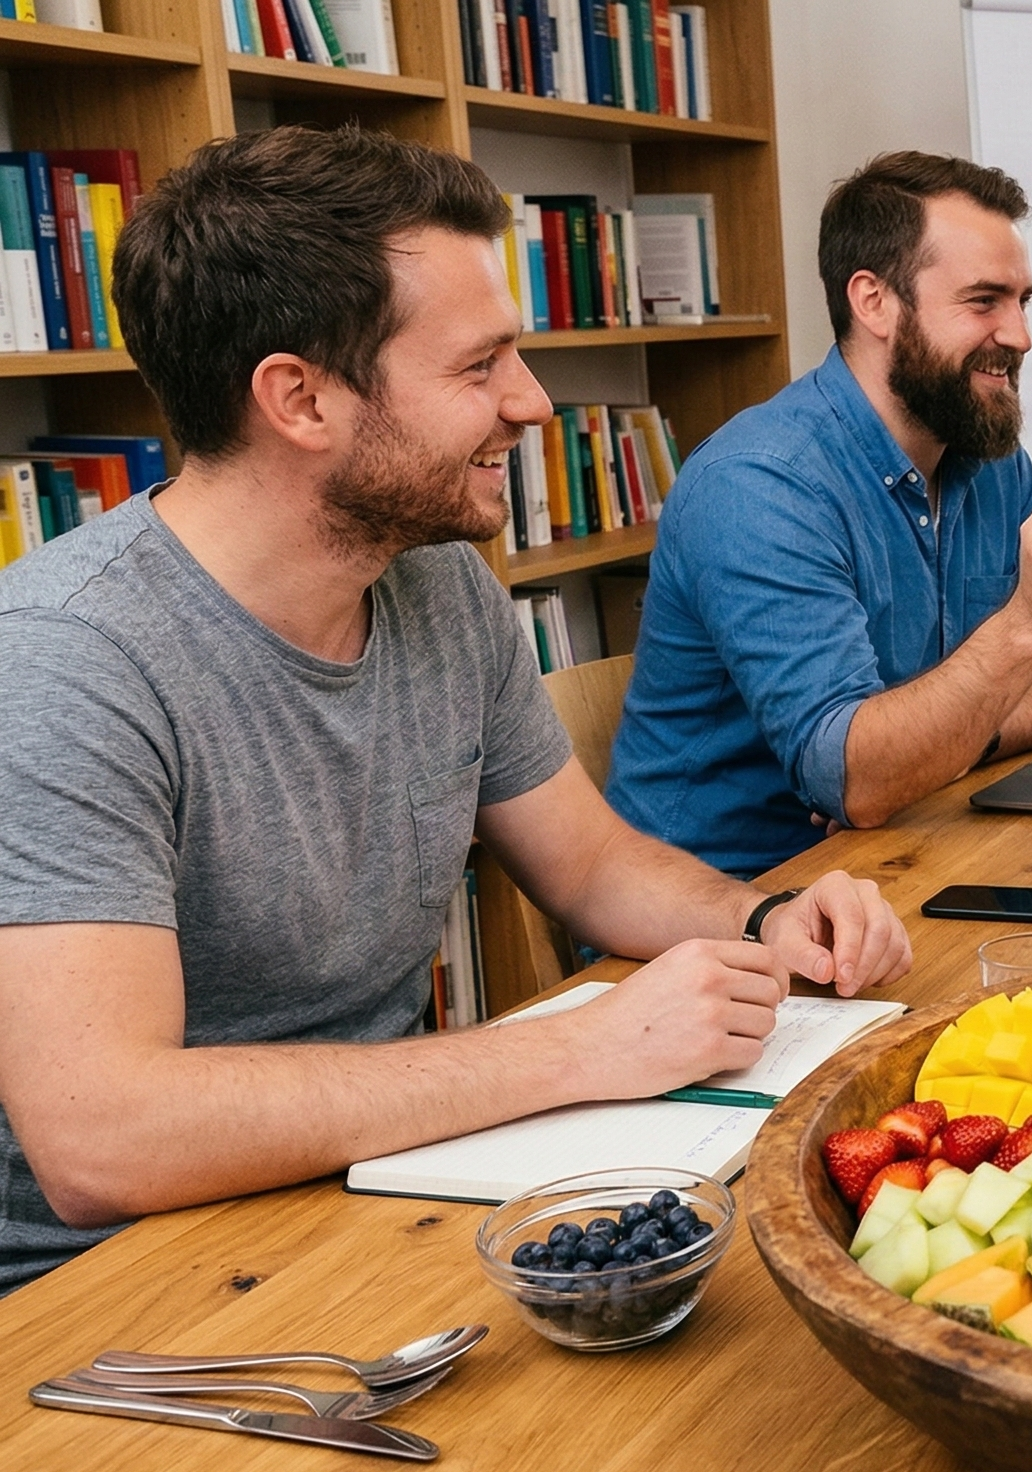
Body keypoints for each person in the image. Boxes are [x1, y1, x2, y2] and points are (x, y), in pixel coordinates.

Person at [0, 125, 913, 1295]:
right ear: (300, 400)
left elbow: (589, 868)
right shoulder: (63, 664)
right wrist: (578, 1048)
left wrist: (761, 921)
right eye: (479, 366)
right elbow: (103, 1137)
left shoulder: (433, 583)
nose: (531, 403)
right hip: (105, 1297)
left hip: (372, 1188)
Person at [606, 152, 1032, 876]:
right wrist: (1023, 631)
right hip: (734, 915)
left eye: (1023, 301)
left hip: (904, 858)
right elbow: (854, 781)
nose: (1021, 335)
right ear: (873, 301)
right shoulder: (758, 484)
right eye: (984, 302)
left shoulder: (989, 456)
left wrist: (945, 745)